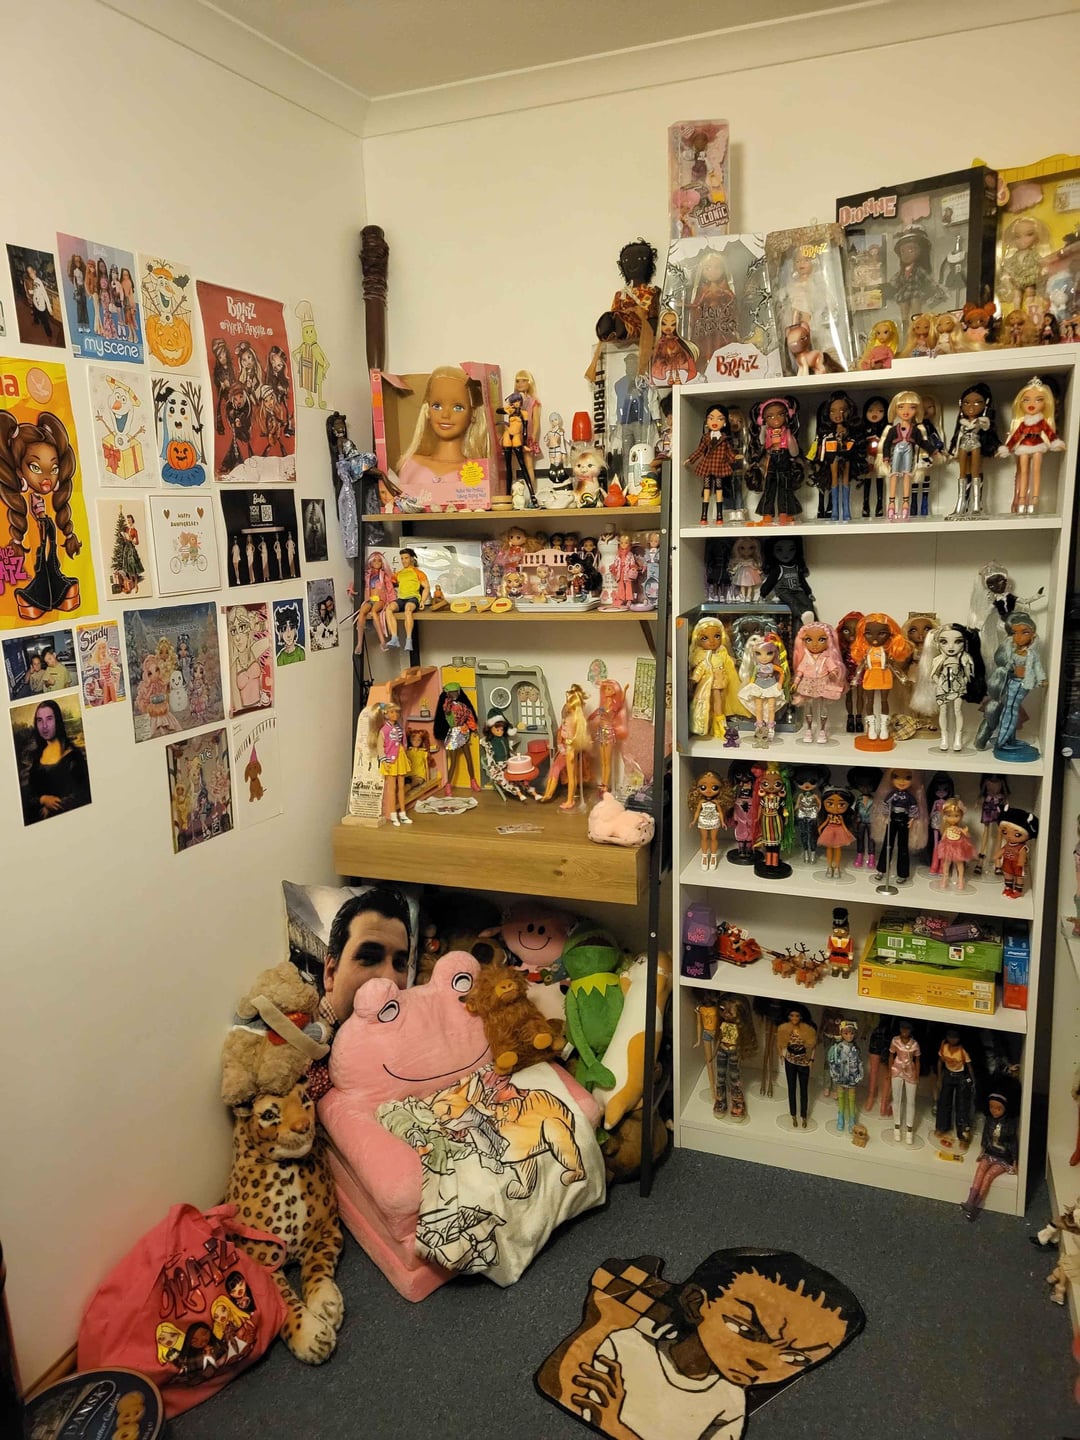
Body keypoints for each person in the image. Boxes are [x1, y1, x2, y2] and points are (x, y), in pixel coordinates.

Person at [539, 1247, 863, 1440]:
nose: (763, 1363)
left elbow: (604, 1417)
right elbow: (562, 1385)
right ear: (695, 1304)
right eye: (746, 1329)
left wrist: (616, 1425)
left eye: (796, 1358)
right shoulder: (627, 1343)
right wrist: (599, 1322)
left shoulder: (729, 1404)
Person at [306, 886, 413, 1099]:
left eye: (399, 963)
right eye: (369, 958)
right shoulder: (299, 1047)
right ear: (330, 972)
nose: (390, 980)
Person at [19, 699, 91, 825]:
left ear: (57, 720)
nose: (44, 726)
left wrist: (53, 807)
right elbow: (30, 795)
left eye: (49, 719)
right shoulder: (37, 757)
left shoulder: (73, 756)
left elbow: (83, 794)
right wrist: (43, 800)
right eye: (39, 720)